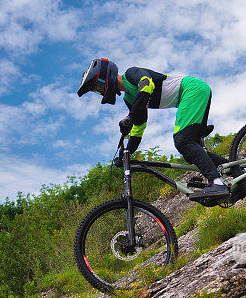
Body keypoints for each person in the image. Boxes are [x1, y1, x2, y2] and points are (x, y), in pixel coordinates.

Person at [77, 58, 229, 202]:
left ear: (106, 76)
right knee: (192, 154)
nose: (100, 91)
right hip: (193, 93)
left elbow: (147, 85)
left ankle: (217, 183)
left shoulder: (131, 74)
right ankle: (235, 170)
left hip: (191, 89)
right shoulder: (129, 98)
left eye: (98, 86)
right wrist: (127, 154)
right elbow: (139, 127)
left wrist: (130, 116)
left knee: (183, 141)